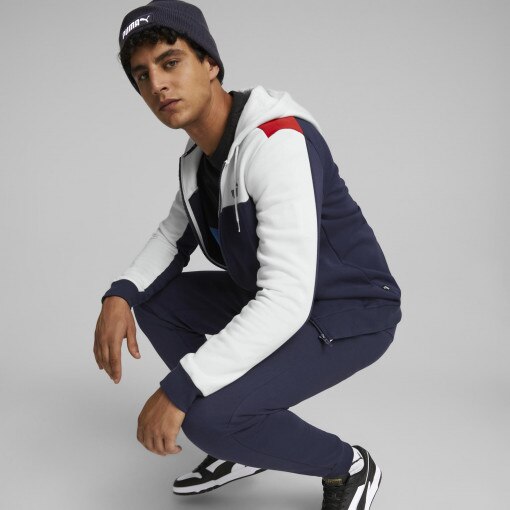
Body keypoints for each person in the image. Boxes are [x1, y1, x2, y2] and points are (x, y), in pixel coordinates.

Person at [93, 1, 403, 508]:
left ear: (210, 64)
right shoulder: (199, 158)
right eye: (142, 75)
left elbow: (286, 298)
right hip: (278, 298)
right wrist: (119, 295)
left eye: (171, 63)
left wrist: (182, 387)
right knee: (154, 300)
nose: (157, 85)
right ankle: (245, 446)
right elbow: (172, 238)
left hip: (348, 310)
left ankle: (348, 465)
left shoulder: (276, 142)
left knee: (208, 419)